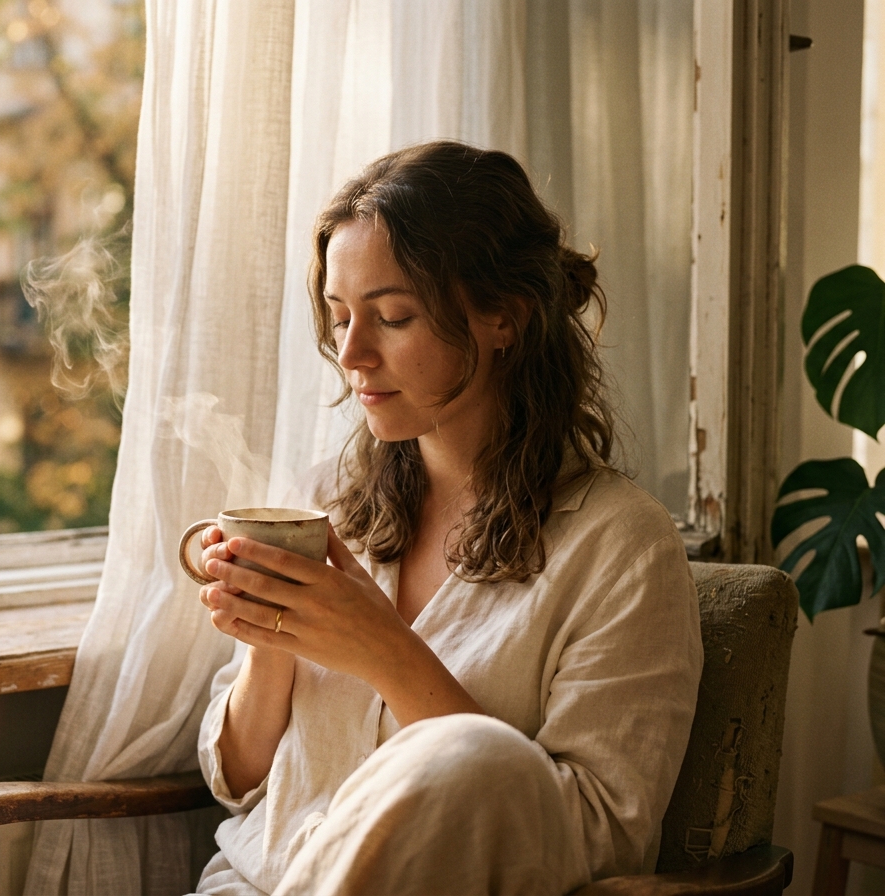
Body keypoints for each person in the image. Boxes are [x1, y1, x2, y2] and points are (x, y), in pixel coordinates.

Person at [191, 142, 702, 896]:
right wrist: (270, 632)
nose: (353, 353)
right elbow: (237, 781)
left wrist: (387, 652)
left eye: (393, 316)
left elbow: (603, 835)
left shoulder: (620, 547)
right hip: (244, 885)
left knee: (476, 758)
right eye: (339, 317)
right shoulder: (327, 504)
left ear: (504, 317)